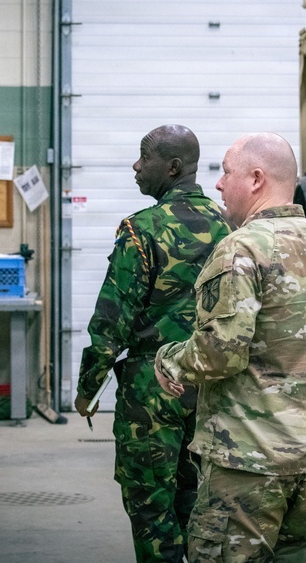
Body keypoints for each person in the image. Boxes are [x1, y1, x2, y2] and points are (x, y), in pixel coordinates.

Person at [154, 132, 306, 562]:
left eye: (225, 172)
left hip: (246, 467)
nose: (217, 184)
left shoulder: (240, 249)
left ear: (255, 179)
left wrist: (170, 361)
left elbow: (221, 352)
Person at [75, 124, 232, 562]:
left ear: (174, 167)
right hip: (212, 384)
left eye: (145, 158)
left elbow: (111, 320)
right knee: (200, 501)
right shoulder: (231, 226)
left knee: (151, 506)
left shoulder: (141, 229)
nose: (136, 165)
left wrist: (89, 386)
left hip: (153, 387)